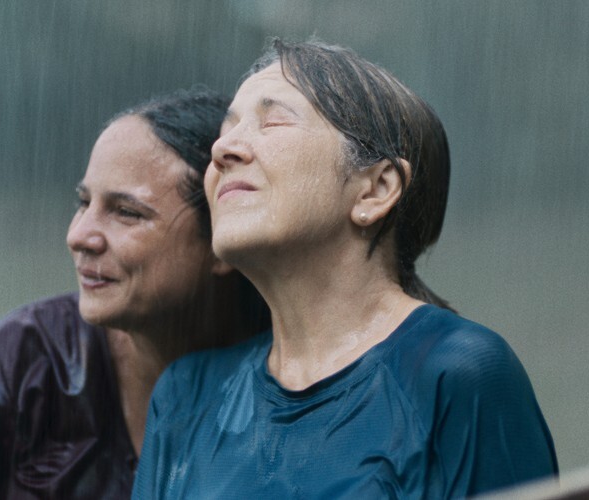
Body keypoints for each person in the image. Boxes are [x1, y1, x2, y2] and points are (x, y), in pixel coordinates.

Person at [132, 40, 558, 499]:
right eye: (227, 128)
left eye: (272, 120)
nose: (222, 149)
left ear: (375, 190)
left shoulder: (457, 377)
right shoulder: (186, 396)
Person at [0, 88, 270, 499]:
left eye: (126, 212)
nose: (79, 236)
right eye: (84, 203)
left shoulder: (295, 382)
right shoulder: (29, 358)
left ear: (224, 237)